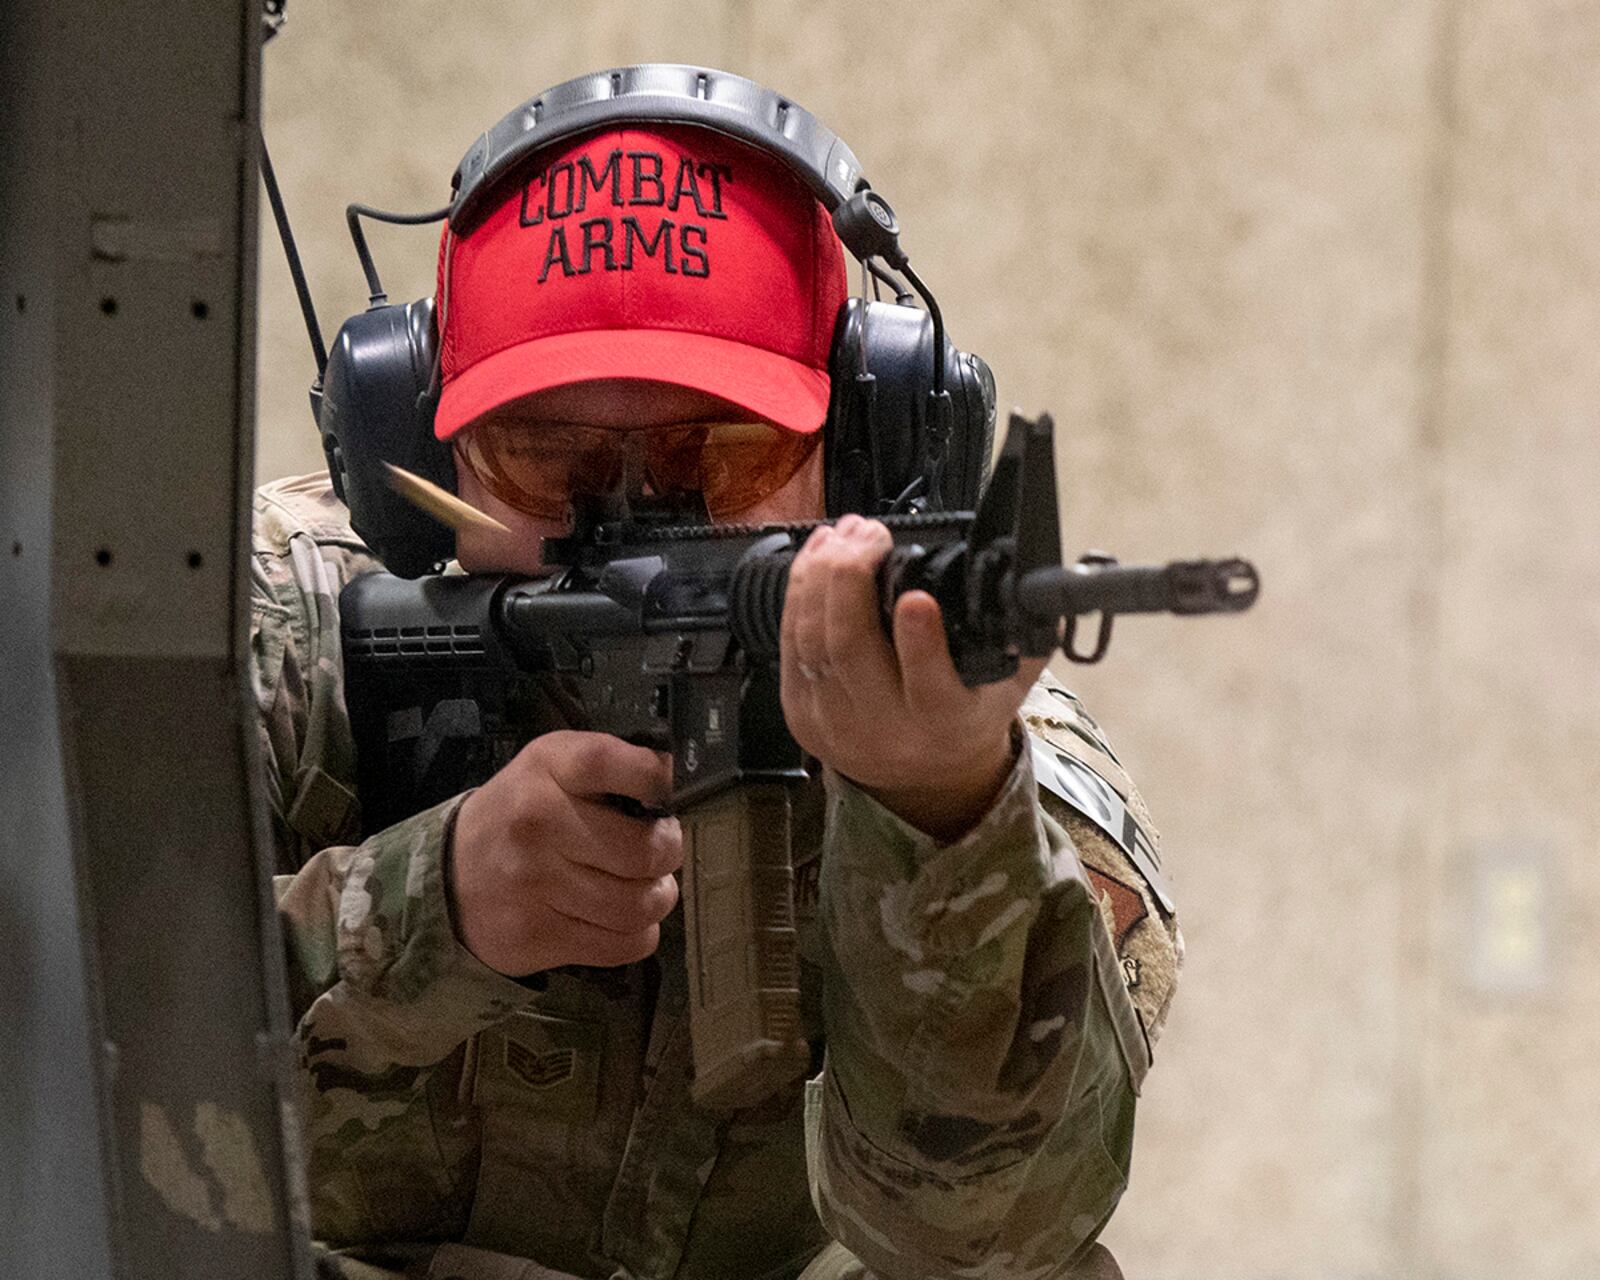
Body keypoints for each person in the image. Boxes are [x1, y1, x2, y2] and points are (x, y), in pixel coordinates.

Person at [253, 112, 1180, 1280]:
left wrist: (938, 814)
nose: (633, 519)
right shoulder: (277, 637)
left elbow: (990, 1240)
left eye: (722, 455)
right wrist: (423, 907)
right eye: (548, 459)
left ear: (857, 445)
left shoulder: (995, 750)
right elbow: (72, 1072)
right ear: (426, 455)